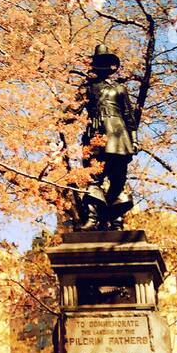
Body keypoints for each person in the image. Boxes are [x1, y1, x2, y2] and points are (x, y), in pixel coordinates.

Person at [69, 48, 138, 228]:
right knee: (93, 176)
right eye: (99, 63)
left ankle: (115, 217)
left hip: (119, 135)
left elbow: (129, 116)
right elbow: (73, 110)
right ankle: (92, 217)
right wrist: (64, 116)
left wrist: (134, 139)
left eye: (106, 63)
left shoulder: (120, 88)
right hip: (96, 133)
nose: (103, 67)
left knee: (118, 178)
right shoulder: (87, 88)